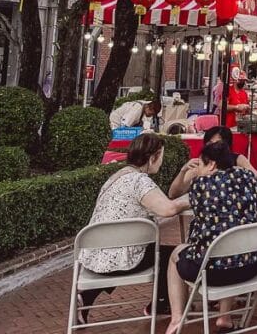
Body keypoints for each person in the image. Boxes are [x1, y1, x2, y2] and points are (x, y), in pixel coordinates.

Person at [165, 142, 257, 334]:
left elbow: (174, 195)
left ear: (211, 164)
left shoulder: (199, 185)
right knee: (230, 246)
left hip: (209, 271)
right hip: (250, 266)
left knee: (177, 254)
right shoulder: (247, 177)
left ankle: (177, 318)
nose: (199, 170)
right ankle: (224, 317)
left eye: (200, 166)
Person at [75, 135, 190, 324]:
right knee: (173, 256)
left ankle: (85, 298)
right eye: (161, 155)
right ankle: (161, 304)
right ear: (153, 157)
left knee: (138, 250)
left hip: (94, 255)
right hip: (121, 257)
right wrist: (192, 198)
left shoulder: (117, 176)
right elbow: (167, 209)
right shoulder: (139, 181)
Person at [168, 126, 257, 199]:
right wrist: (183, 171)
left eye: (218, 143)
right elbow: (173, 194)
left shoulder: (237, 159)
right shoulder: (200, 163)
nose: (214, 147)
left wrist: (240, 171)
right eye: (210, 143)